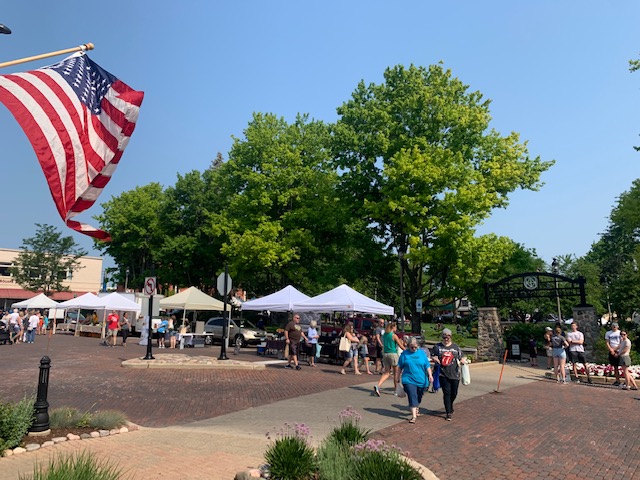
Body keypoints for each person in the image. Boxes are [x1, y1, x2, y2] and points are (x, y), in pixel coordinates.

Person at [431, 328, 466, 421]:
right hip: (443, 373)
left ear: (451, 336)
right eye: (444, 336)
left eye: (448, 336)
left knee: (454, 393)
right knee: (447, 393)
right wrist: (434, 358)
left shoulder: (455, 347)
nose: (446, 338)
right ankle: (448, 412)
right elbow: (432, 355)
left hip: (455, 373)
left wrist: (462, 360)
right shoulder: (437, 347)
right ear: (442, 336)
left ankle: (450, 405)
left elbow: (461, 356)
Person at [398, 337, 433, 423]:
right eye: (411, 347)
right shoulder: (404, 354)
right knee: (412, 395)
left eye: (415, 347)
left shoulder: (422, 353)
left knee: (419, 396)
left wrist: (430, 375)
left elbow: (427, 365)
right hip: (408, 379)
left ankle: (416, 406)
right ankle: (413, 416)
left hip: (421, 379)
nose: (413, 349)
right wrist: (397, 378)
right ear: (408, 346)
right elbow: (399, 367)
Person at [374, 322, 405, 396]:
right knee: (396, 373)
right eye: (395, 327)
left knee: (386, 372)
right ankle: (396, 390)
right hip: (393, 354)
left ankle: (378, 385)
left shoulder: (385, 335)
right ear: (393, 327)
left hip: (385, 354)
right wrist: (408, 351)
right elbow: (401, 346)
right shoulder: (394, 336)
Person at [605, 322, 622, 386]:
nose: (614, 327)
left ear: (617, 327)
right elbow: (607, 342)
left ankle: (626, 380)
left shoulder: (620, 333)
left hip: (619, 350)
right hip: (611, 350)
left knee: (622, 366)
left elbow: (621, 342)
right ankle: (617, 380)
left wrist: (615, 349)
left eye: (615, 326)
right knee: (615, 367)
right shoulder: (608, 333)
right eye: (613, 326)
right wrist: (611, 350)